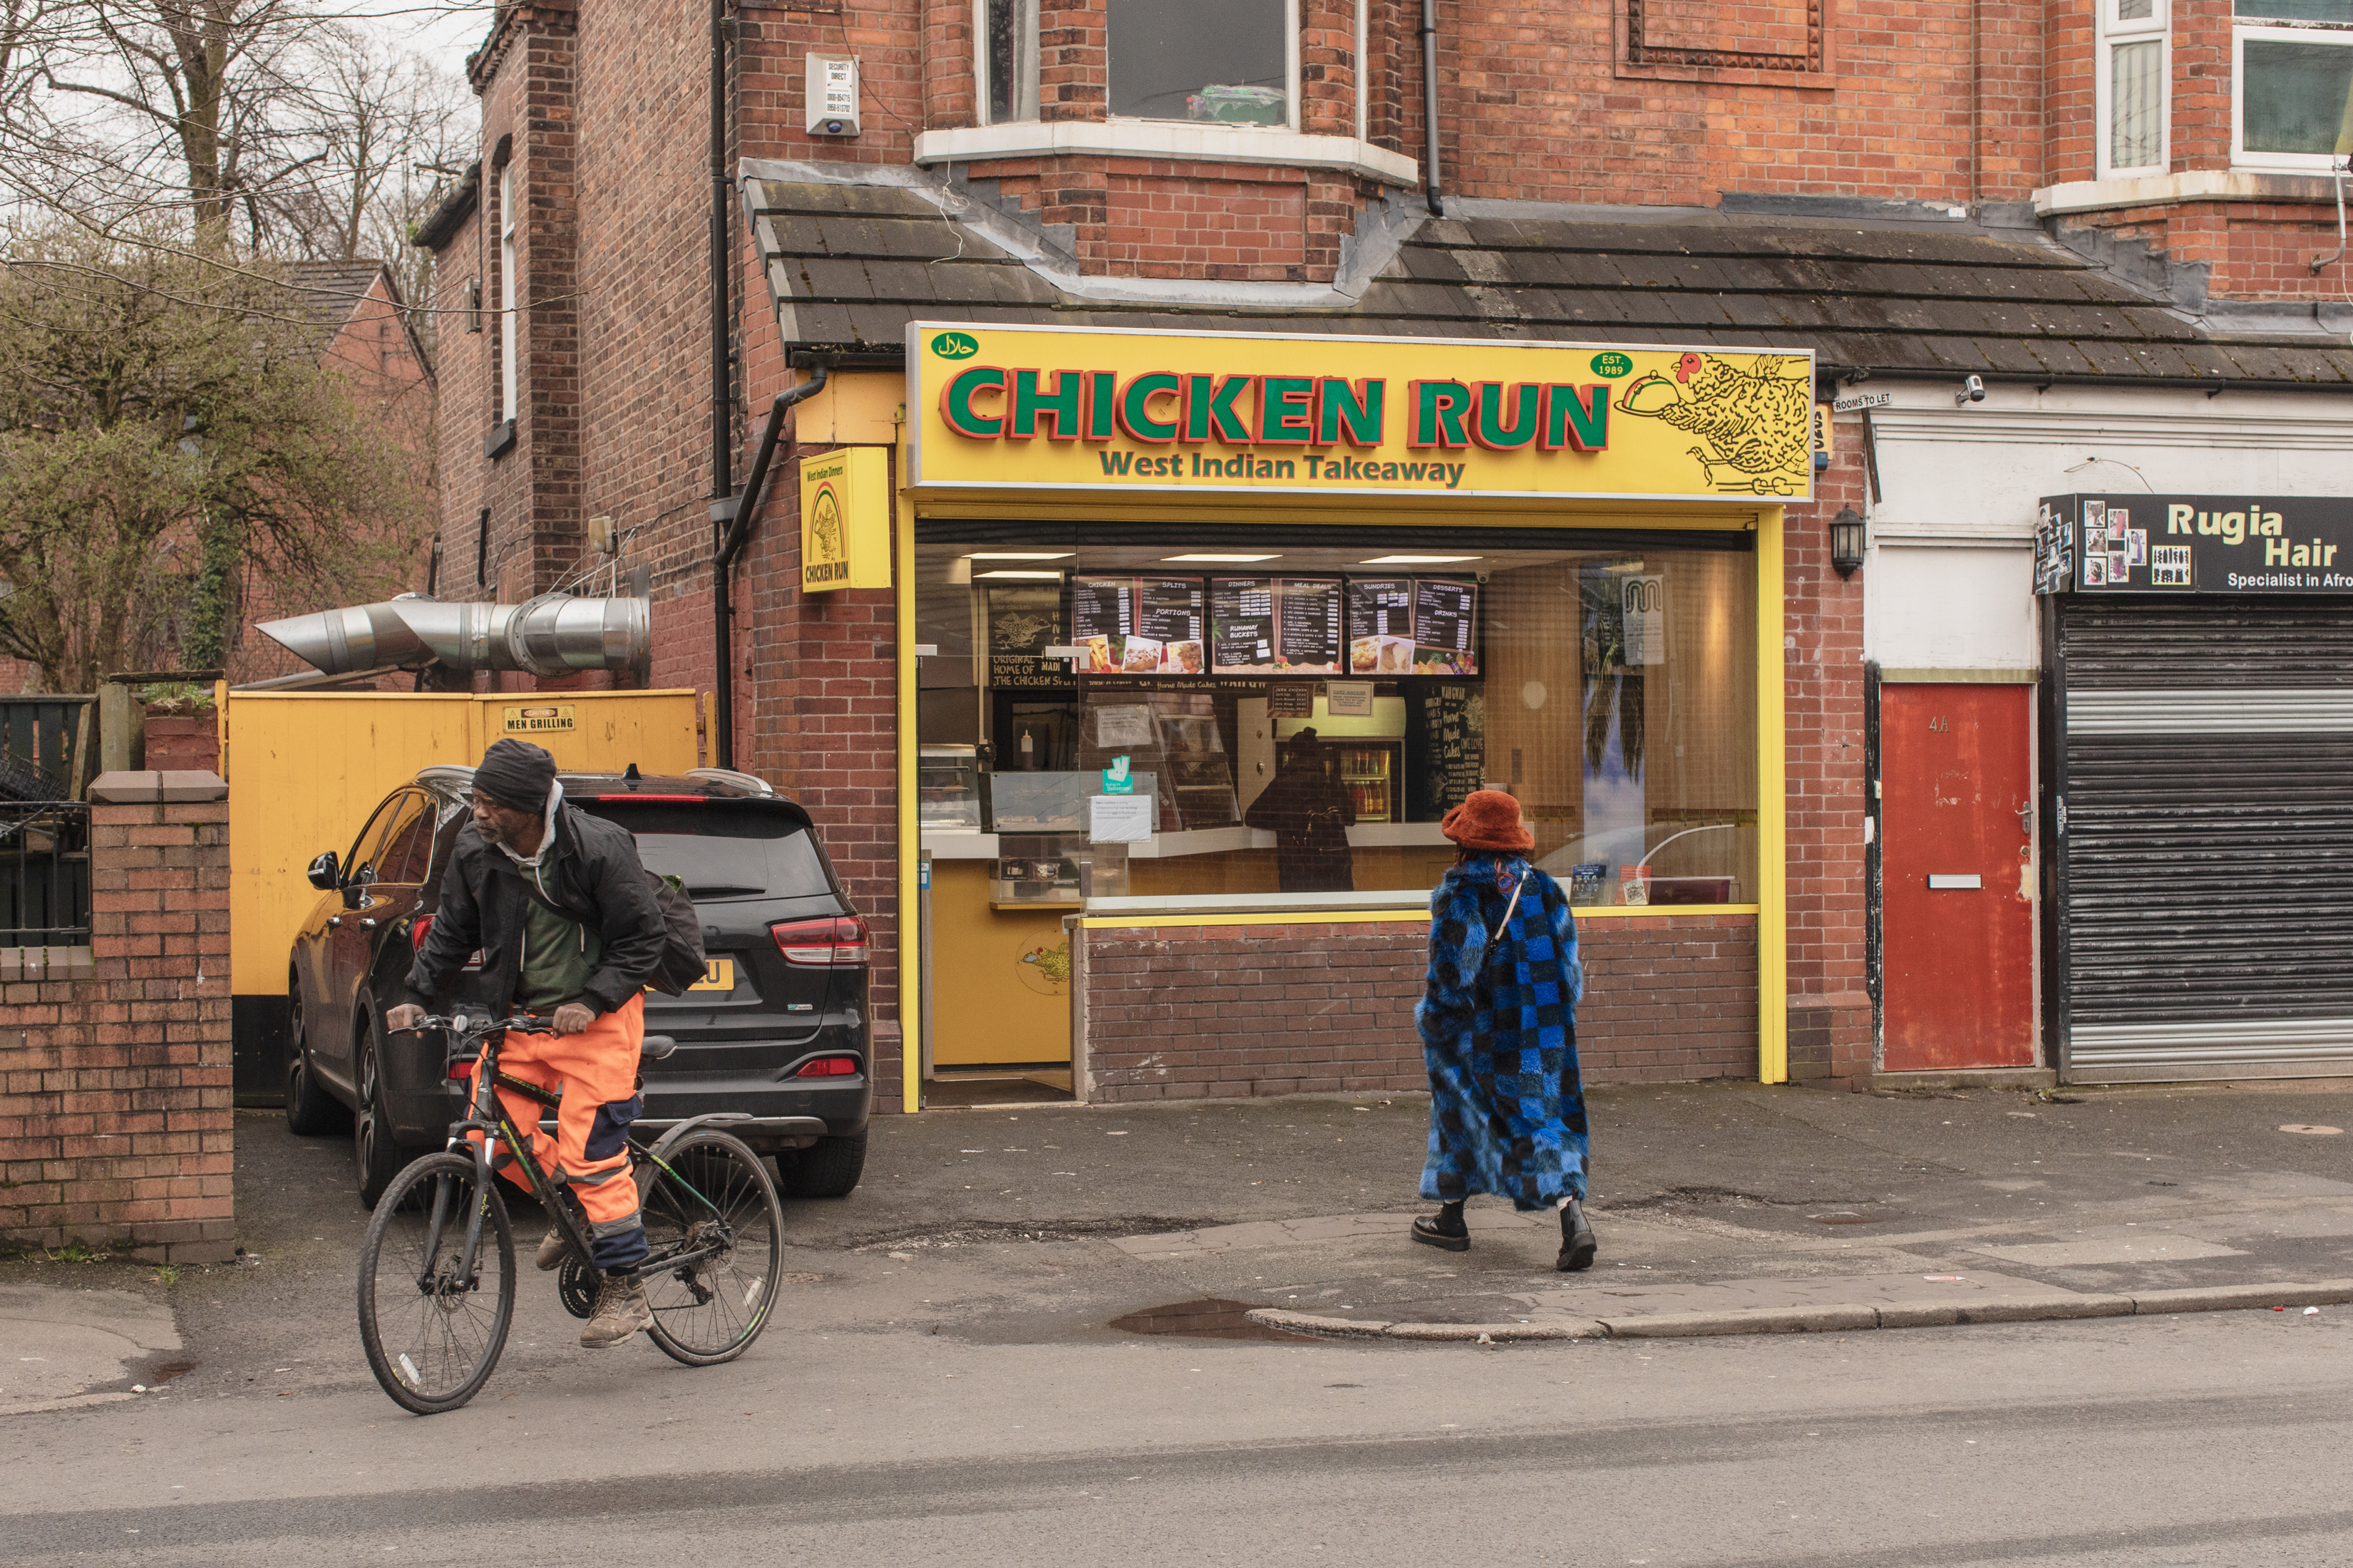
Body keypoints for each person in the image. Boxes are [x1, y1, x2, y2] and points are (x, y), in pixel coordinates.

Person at [385, 738, 669, 1347]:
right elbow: (453, 931)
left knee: (591, 1152)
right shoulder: (474, 849)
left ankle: (627, 1289)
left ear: (531, 804)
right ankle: (577, 1211)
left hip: (599, 1021)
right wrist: (416, 993)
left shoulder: (598, 846)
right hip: (519, 1019)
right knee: (492, 1138)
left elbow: (643, 939)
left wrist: (591, 1000)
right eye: (476, 800)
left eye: (491, 803)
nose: (479, 813)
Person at [1411, 788, 1597, 1272]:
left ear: (1465, 842)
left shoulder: (1460, 891)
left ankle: (1549, 1212)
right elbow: (1568, 963)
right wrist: (1556, 1012)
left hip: (1484, 1030)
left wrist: (1437, 1021)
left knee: (1468, 1110)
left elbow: (1453, 970)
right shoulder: (1542, 887)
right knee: (1540, 1114)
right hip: (1546, 1026)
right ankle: (1554, 1212)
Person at [1243, 726, 1356, 892]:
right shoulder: (1333, 783)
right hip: (1337, 874)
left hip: (1298, 874)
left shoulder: (1282, 784)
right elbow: (1350, 818)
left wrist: (1283, 819)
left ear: (1293, 755)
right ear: (1318, 755)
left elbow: (1252, 816)